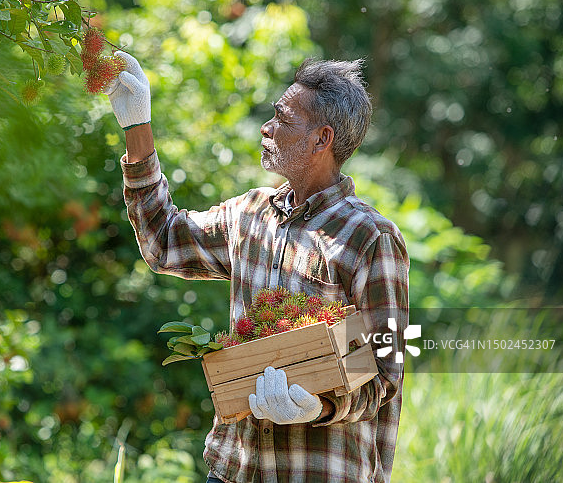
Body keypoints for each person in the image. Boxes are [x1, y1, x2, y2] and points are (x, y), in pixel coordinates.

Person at [104, 50, 409, 483]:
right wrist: (138, 127)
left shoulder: (369, 237)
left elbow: (383, 371)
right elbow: (163, 240)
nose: (266, 128)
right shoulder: (250, 214)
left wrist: (319, 406)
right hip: (234, 468)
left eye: (282, 118)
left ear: (321, 140)